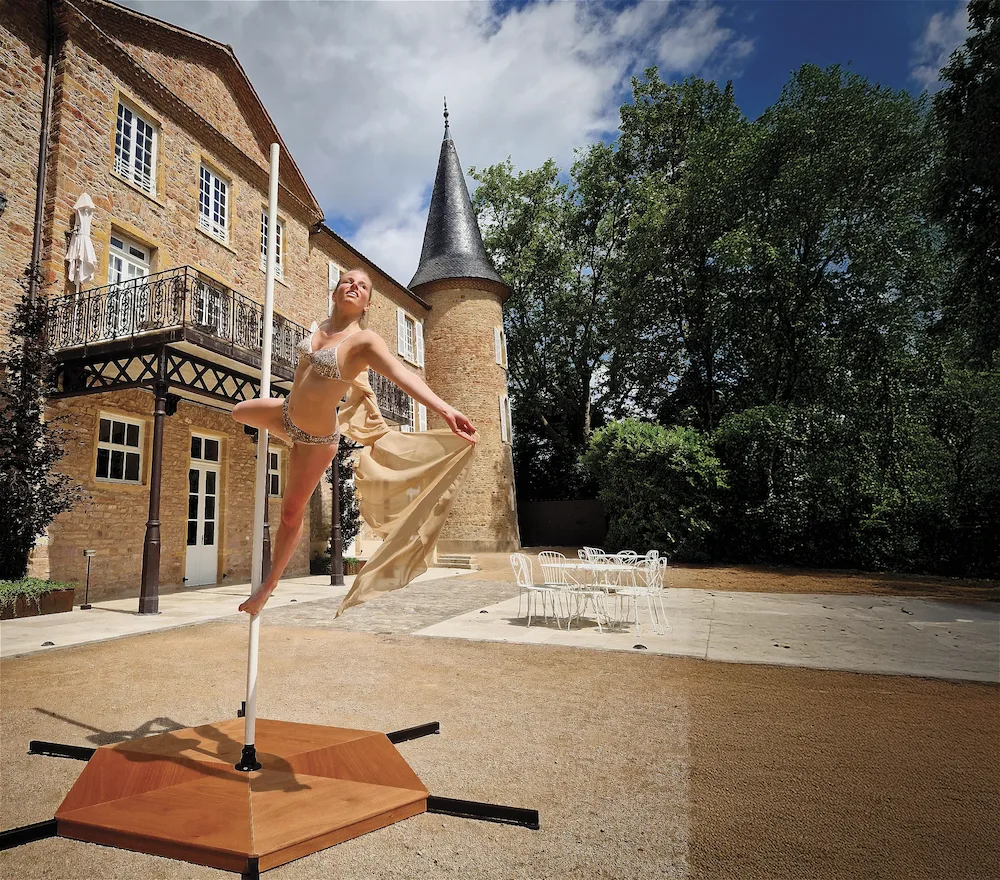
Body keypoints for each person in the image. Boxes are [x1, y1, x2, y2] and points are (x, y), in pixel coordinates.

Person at [232, 268, 478, 616]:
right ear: (335, 292)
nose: (354, 286)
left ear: (366, 304)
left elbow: (403, 375)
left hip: (316, 438)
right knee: (238, 411)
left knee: (290, 513)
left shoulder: (364, 342)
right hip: (285, 414)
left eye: (363, 287)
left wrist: (446, 410)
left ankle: (268, 587)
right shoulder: (318, 327)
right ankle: (283, 438)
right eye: (348, 281)